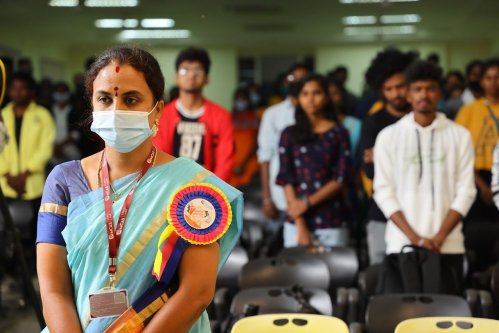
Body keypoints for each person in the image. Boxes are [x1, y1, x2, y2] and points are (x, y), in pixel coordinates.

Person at [36, 46, 242, 333]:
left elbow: (196, 293)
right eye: (105, 99)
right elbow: (53, 291)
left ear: (157, 110)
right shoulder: (63, 180)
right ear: (93, 106)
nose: (116, 110)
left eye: (131, 99)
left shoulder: (192, 187)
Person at [373, 60, 476, 293]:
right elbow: (383, 192)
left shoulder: (460, 135)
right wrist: (415, 238)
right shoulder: (388, 137)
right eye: (417, 89)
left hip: (448, 246)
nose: (424, 95)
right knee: (402, 320)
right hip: (402, 244)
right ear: (408, 94)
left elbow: (466, 191)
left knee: (444, 320)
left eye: (430, 88)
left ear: (439, 93)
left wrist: (438, 237)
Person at [276, 74, 351, 247]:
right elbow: (286, 178)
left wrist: (306, 203)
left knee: (336, 273)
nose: (311, 99)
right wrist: (300, 221)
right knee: (294, 273)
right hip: (296, 221)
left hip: (331, 220)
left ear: (326, 97)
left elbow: (341, 178)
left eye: (317, 93)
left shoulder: (339, 133)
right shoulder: (289, 134)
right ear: (298, 99)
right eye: (305, 94)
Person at [359, 48, 415, 264]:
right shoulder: (373, 123)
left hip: (419, 213)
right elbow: (370, 170)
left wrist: (383, 156)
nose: (396, 94)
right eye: (388, 89)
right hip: (381, 213)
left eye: (400, 86)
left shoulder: (421, 120)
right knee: (382, 278)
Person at [153, 47, 234, 182]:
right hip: (169, 186)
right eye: (185, 70)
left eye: (198, 70)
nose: (191, 75)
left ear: (206, 78)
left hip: (209, 190)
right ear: (177, 77)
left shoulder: (222, 117)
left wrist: (213, 191)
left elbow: (225, 162)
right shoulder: (162, 115)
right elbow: (157, 155)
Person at [0, 72, 55, 244]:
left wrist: (25, 174)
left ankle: (32, 265)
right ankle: (9, 266)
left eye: (22, 88)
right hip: (5, 181)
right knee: (5, 226)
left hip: (32, 181)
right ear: (9, 91)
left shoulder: (42, 115)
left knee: (34, 228)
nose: (18, 92)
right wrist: (7, 174)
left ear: (30, 91)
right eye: (14, 88)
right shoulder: (3, 114)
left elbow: (45, 148)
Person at [455, 57, 499, 270]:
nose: (493, 82)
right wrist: (482, 186)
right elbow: (459, 154)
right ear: (481, 81)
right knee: (477, 237)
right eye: (488, 78)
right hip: (476, 178)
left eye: (497, 77)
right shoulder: (469, 111)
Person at [229, 88, 259, 189]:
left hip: (249, 165)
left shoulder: (255, 118)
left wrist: (243, 164)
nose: (240, 101)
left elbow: (256, 143)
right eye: (238, 98)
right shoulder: (229, 117)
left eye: (243, 98)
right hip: (232, 165)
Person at [50, 81, 81, 165]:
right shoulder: (49, 110)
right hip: (51, 150)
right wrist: (54, 147)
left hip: (71, 151)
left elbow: (76, 134)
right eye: (58, 92)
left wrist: (60, 147)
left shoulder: (74, 111)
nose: (61, 95)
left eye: (63, 92)